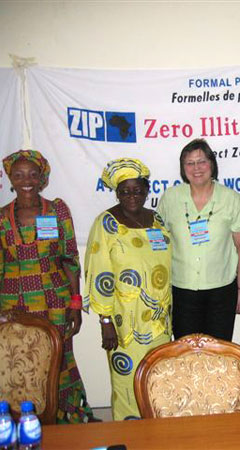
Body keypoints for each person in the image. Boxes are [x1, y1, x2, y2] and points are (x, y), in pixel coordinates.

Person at [0, 149, 94, 424]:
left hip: (55, 302)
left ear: (42, 177)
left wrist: (76, 304)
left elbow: (70, 260)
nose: (27, 181)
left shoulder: (57, 210)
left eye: (33, 174)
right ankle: (24, 424)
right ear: (10, 178)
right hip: (14, 307)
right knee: (20, 363)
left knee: (59, 362)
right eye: (19, 175)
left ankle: (67, 421)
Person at [84, 158, 172, 421]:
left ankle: (157, 434)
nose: (131, 196)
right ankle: (129, 433)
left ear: (147, 190)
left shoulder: (156, 219)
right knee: (128, 383)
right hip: (125, 322)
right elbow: (99, 273)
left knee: (158, 379)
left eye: (137, 190)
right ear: (116, 193)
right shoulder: (106, 223)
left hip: (159, 320)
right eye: (124, 191)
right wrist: (106, 321)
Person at [157, 139, 240, 341]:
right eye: (190, 163)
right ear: (183, 168)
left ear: (212, 164)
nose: (196, 168)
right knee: (186, 351)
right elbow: (159, 244)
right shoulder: (170, 198)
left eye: (201, 161)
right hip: (182, 290)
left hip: (222, 291)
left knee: (219, 351)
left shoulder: (230, 198)